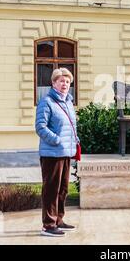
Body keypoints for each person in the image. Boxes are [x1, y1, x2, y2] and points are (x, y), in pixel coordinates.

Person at [35, 67, 78, 237]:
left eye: (67, 82)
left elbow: (70, 126)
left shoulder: (67, 102)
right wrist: (57, 140)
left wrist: (74, 142)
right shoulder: (47, 102)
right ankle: (48, 224)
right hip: (52, 153)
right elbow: (40, 127)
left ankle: (59, 219)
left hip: (66, 151)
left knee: (63, 189)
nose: (65, 84)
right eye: (61, 81)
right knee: (51, 189)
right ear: (53, 83)